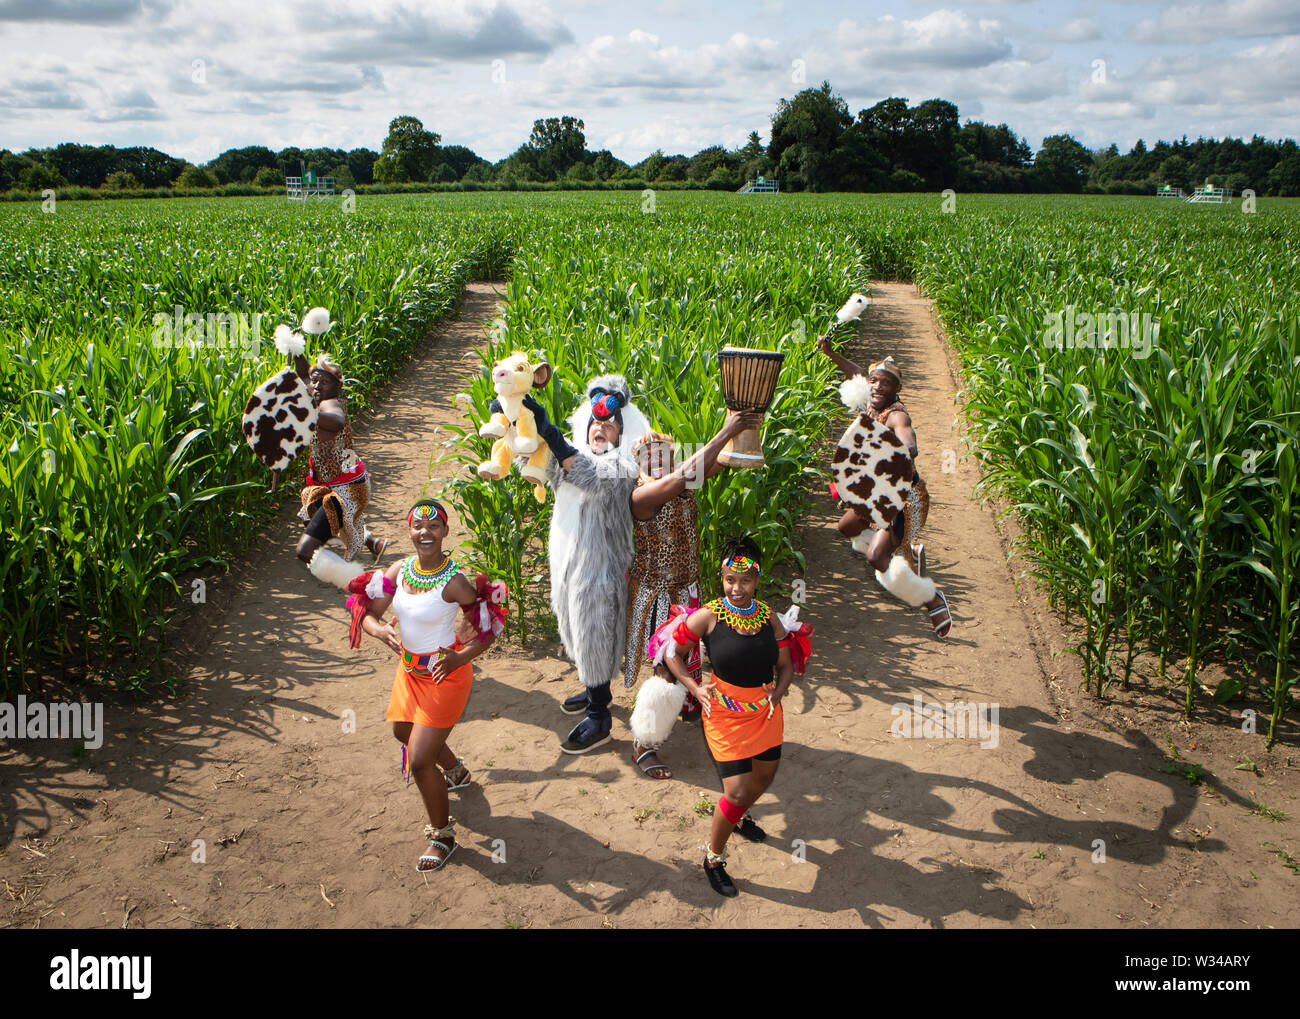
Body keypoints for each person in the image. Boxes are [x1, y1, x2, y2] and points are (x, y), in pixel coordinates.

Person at [622, 411, 761, 780]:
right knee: (665, 666)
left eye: (664, 453)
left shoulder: (683, 482)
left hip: (687, 588)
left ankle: (685, 707)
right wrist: (727, 429)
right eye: (647, 455)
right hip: (656, 594)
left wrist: (745, 423)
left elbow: (719, 461)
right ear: (637, 464)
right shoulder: (641, 496)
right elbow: (685, 474)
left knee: (686, 657)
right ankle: (643, 743)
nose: (656, 459)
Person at [357, 498, 493, 872]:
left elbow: (489, 628)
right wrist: (380, 630)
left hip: (444, 676)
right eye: (418, 525)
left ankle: (443, 835)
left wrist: (460, 658)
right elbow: (367, 613)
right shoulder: (400, 570)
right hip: (409, 673)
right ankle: (456, 772)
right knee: (402, 731)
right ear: (410, 530)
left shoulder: (455, 582)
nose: (425, 532)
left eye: (433, 526)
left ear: (445, 532)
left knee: (419, 760)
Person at [662, 536, 795, 897]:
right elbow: (672, 652)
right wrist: (694, 687)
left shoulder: (770, 618)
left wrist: (778, 694)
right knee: (736, 790)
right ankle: (713, 858)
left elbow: (786, 666)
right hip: (723, 713)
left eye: (745, 580)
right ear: (721, 576)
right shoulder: (708, 616)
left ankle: (739, 817)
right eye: (729, 579)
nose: (737, 588)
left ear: (757, 579)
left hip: (765, 714)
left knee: (763, 779)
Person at [532, 375, 652, 754]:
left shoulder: (624, 467)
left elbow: (587, 476)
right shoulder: (573, 454)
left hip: (600, 567)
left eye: (610, 424)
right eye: (595, 423)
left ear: (622, 432)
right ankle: (592, 685)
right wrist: (515, 419)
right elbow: (546, 466)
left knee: (595, 626)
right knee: (573, 624)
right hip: (568, 557)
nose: (601, 428)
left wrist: (549, 431)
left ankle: (600, 716)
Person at [816, 341, 951, 637]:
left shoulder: (895, 415)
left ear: (895, 390)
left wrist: (896, 450)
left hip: (903, 499)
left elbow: (908, 440)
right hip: (878, 495)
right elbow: (855, 372)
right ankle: (905, 553)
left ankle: (931, 599)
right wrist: (830, 353)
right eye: (874, 380)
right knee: (846, 528)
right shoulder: (870, 399)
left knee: (876, 558)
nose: (877, 386)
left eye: (885, 383)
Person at [274, 348, 386, 584]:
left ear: (337, 386)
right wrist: (296, 350)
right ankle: (371, 544)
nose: (317, 386)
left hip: (346, 491)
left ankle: (358, 582)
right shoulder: (317, 397)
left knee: (305, 550)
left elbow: (336, 421)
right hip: (335, 485)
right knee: (313, 511)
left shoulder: (330, 405)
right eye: (315, 382)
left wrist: (303, 411)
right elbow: (305, 374)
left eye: (324, 382)